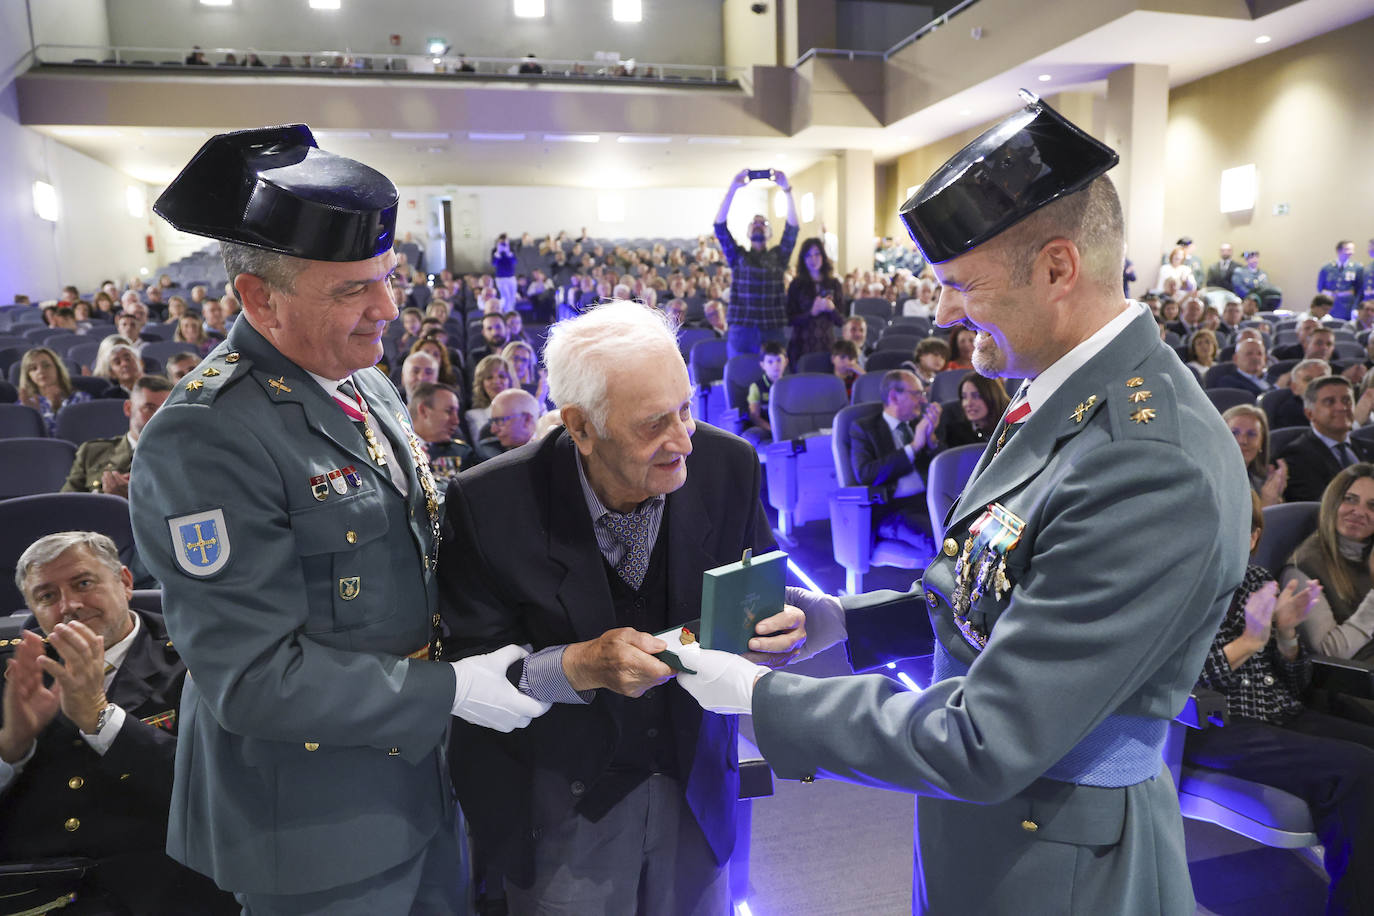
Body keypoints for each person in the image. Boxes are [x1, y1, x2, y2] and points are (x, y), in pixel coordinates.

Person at [672, 96, 1250, 915]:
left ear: (1058, 269)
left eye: (959, 286)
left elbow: (987, 737)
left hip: (1060, 859)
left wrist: (758, 699)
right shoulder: (1058, 395)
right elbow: (1000, 590)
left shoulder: (1147, 463)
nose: (940, 313)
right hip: (989, 828)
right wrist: (850, 621)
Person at [128, 124, 549, 913]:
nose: (388, 308)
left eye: (387, 278)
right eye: (352, 289)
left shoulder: (362, 379)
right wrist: (450, 690)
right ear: (260, 299)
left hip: (420, 783)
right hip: (315, 825)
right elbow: (252, 678)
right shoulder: (206, 435)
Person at [437, 299, 811, 915]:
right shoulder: (490, 504)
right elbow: (469, 674)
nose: (683, 441)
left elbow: (762, 590)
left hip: (696, 787)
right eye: (653, 423)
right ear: (579, 427)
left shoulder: (731, 467)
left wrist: (782, 626)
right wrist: (577, 666)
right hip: (561, 803)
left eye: (687, 410)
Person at [0, 532, 237, 915]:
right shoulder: (15, 671)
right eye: (46, 596)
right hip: (32, 894)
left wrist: (101, 719)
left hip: (161, 891)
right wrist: (10, 748)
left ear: (125, 582)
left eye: (83, 583)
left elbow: (217, 786)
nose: (69, 606)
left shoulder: (196, 658)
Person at [1185, 494, 1374, 915]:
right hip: (1218, 725)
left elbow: (1297, 682)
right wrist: (1250, 640)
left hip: (1280, 714)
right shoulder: (1185, 586)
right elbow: (1177, 684)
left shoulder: (1256, 580)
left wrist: (1287, 635)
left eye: (1245, 529)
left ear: (1254, 537)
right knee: (1358, 769)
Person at [1281, 464, 1374, 662]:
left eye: (1372, 505)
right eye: (1350, 499)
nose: (1359, 512)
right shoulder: (1304, 565)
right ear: (1333, 501)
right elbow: (1329, 652)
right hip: (1353, 682)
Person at [848, 369, 939, 553]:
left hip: (928, 501)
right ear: (894, 397)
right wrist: (913, 447)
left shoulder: (919, 423)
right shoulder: (864, 428)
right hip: (893, 509)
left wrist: (932, 441)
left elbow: (943, 471)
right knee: (939, 539)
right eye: (917, 394)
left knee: (968, 529)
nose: (923, 400)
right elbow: (866, 475)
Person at [714, 168, 798, 357]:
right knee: (740, 379)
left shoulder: (779, 256)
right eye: (755, 223)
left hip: (773, 328)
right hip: (742, 329)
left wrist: (787, 190)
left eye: (763, 223)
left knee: (774, 382)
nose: (759, 224)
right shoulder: (738, 256)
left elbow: (793, 228)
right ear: (748, 232)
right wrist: (733, 189)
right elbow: (719, 227)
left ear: (770, 234)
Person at [62, 376, 172, 495]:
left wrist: (131, 497)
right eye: (149, 408)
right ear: (128, 408)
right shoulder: (92, 453)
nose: (158, 417)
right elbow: (64, 506)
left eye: (165, 410)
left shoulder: (183, 458)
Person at [1276, 375, 1374, 502]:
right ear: (1309, 413)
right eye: (1330, 402)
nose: (1341, 407)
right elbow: (1319, 507)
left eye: (1346, 400)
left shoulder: (1370, 448)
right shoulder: (1296, 455)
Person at [785, 237, 845, 365]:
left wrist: (832, 310)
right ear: (803, 259)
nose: (813, 259)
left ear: (823, 256)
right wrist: (811, 312)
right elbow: (789, 319)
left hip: (827, 345)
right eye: (808, 255)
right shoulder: (796, 284)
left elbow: (841, 321)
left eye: (817, 254)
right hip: (802, 345)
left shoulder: (834, 284)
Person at [407, 381, 474, 487]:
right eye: (449, 411)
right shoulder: (398, 450)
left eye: (456, 412)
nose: (456, 421)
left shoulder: (461, 452)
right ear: (423, 410)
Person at [1221, 403, 1287, 508]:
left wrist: (1277, 500)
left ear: (1261, 442)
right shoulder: (1212, 483)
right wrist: (1267, 506)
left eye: (1251, 434)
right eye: (1234, 433)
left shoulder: (1261, 483)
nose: (1243, 441)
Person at [17, 347, 92, 436]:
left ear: (57, 368)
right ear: (28, 375)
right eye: (33, 368)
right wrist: (34, 414)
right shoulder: (25, 404)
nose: (40, 371)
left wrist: (57, 410)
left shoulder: (81, 398)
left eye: (46, 365)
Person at [940, 370, 1010, 447]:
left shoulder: (1010, 425)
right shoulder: (956, 430)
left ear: (993, 396)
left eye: (976, 396)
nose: (968, 403)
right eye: (964, 397)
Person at [475, 387, 539, 460]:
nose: (493, 430)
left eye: (500, 420)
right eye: (492, 421)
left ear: (526, 420)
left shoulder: (549, 453)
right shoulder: (496, 453)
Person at [467, 354, 515, 442]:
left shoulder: (523, 410)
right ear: (481, 384)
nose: (496, 381)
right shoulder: (473, 416)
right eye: (489, 377)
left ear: (510, 381)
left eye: (502, 376)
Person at [746, 341, 786, 443]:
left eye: (779, 360)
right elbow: (755, 417)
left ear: (786, 361)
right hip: (766, 428)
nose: (775, 365)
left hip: (788, 428)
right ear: (762, 365)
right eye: (770, 362)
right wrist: (773, 429)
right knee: (750, 436)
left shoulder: (790, 385)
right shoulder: (756, 387)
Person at [1318, 240, 1364, 321]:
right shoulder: (1327, 268)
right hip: (1330, 307)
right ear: (1339, 250)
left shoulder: (1357, 268)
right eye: (1347, 249)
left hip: (1347, 307)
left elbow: (1359, 290)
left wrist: (1356, 308)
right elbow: (1320, 287)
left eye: (1352, 249)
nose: (1351, 252)